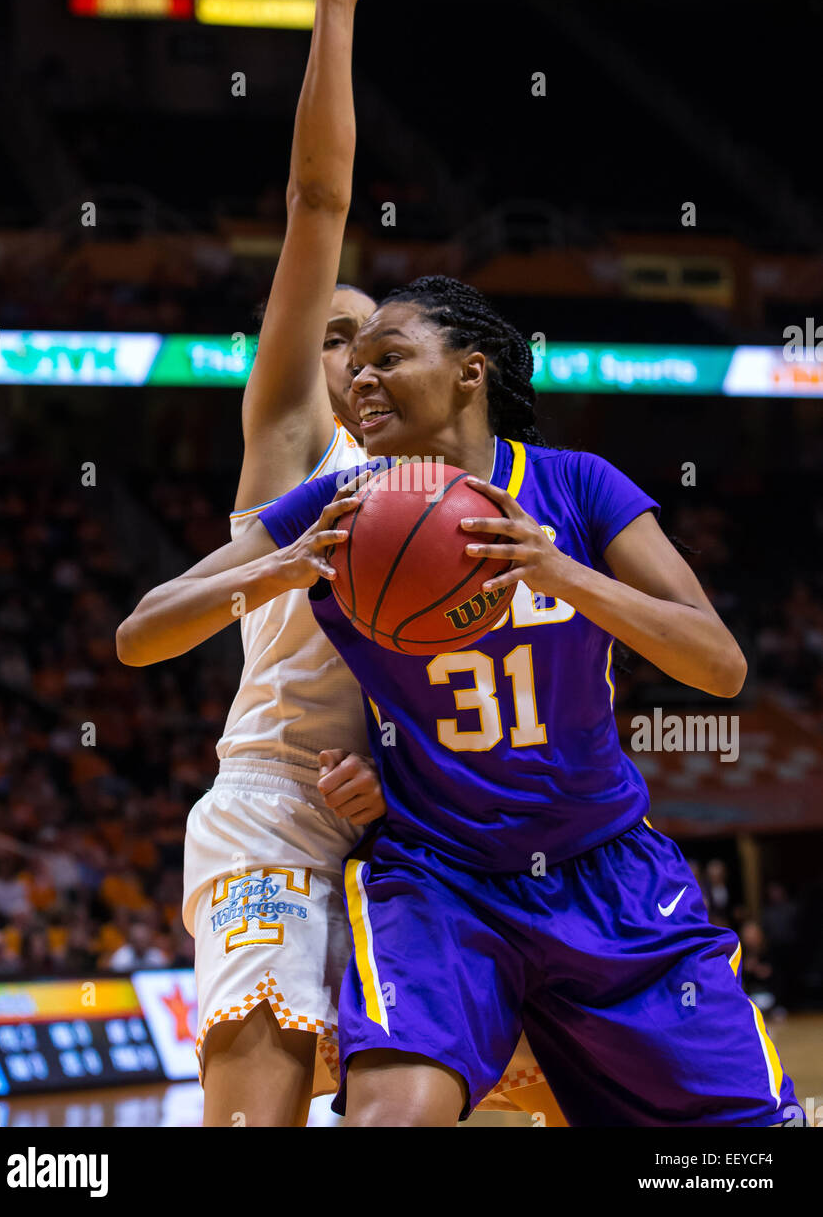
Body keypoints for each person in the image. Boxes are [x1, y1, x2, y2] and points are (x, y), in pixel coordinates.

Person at [122, 275, 801, 1127]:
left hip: (605, 872)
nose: (361, 379)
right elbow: (141, 633)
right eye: (354, 363)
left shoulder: (579, 486)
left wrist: (560, 572)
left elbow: (720, 666)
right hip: (439, 880)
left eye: (389, 357)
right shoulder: (338, 507)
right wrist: (281, 568)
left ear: (472, 371)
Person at [120, 0, 565, 1129]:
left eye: (381, 343)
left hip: (419, 825)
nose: (353, 356)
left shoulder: (480, 495)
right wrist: (334, 8)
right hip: (275, 808)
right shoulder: (288, 456)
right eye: (336, 336)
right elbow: (317, 202)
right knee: (251, 1115)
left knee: (575, 1091)